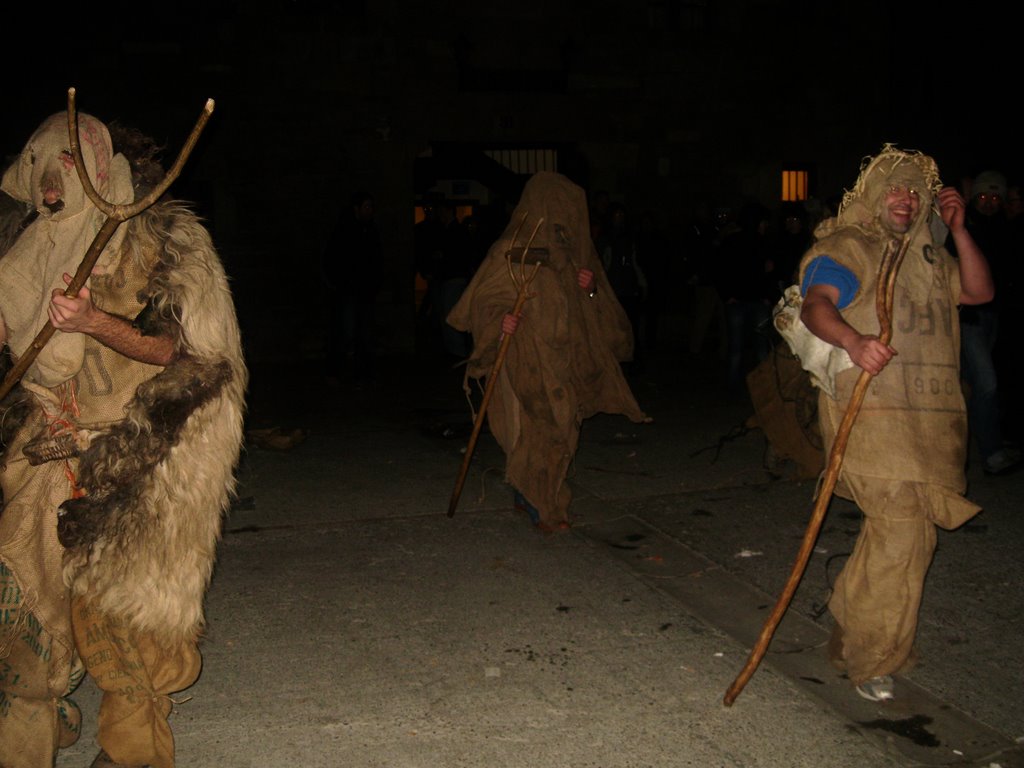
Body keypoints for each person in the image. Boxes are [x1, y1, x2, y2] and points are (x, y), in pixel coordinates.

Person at [0, 112, 246, 767]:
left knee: (126, 622)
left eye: (69, 165)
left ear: (103, 170)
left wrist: (94, 321)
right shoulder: (29, 247)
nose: (52, 182)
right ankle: (42, 719)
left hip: (147, 454)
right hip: (51, 448)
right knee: (29, 606)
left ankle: (132, 749)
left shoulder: (161, 242)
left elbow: (189, 352)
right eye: (40, 168)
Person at [797, 145, 993, 702]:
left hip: (930, 424)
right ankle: (874, 656)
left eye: (915, 191)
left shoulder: (930, 257)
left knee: (902, 535)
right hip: (874, 423)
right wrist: (853, 341)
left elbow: (979, 291)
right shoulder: (851, 247)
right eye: (894, 189)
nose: (905, 200)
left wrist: (957, 228)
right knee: (906, 534)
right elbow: (817, 303)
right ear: (870, 196)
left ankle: (849, 618)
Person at [446, 171, 649, 532]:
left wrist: (589, 289)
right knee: (535, 425)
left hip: (565, 357)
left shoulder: (574, 253)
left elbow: (600, 305)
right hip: (524, 355)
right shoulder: (510, 248)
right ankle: (541, 500)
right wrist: (501, 322)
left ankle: (539, 491)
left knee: (566, 424)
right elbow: (485, 301)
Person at [949, 170, 1020, 474]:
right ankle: (990, 453)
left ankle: (974, 448)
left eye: (995, 197)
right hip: (969, 318)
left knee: (978, 383)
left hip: (995, 317)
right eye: (983, 197)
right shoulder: (964, 227)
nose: (989, 202)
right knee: (985, 381)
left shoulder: (1006, 229)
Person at [322, 190, 384, 384]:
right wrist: (338, 283)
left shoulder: (371, 230)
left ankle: (363, 373)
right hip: (347, 291)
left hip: (365, 293)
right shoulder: (343, 231)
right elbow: (332, 259)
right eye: (366, 206)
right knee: (345, 332)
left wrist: (374, 283)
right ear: (356, 209)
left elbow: (376, 260)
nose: (370, 210)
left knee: (364, 333)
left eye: (371, 207)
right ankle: (337, 370)